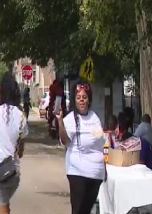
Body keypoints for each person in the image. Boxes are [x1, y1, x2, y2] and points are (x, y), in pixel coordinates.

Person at [56, 81, 105, 214]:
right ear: (75, 100)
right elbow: (65, 141)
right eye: (79, 98)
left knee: (86, 210)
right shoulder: (70, 119)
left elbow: (100, 140)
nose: (82, 101)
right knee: (78, 210)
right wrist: (60, 123)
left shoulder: (94, 117)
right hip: (78, 172)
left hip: (96, 173)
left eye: (84, 97)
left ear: (89, 100)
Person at [0, 72, 29, 214]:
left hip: (0, 172)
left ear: (1, 92)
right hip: (14, 173)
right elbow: (21, 152)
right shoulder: (21, 115)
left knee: (1, 205)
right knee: (1, 205)